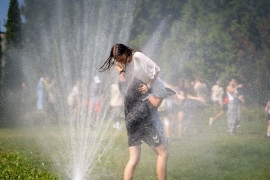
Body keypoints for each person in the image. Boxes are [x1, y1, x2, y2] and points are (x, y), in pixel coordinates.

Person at [99, 44, 170, 180]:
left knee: (134, 159)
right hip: (142, 121)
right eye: (119, 61)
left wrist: (121, 72)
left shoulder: (123, 83)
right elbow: (155, 103)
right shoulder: (138, 83)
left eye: (121, 60)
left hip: (130, 121)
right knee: (163, 153)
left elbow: (118, 63)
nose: (120, 63)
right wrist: (153, 90)